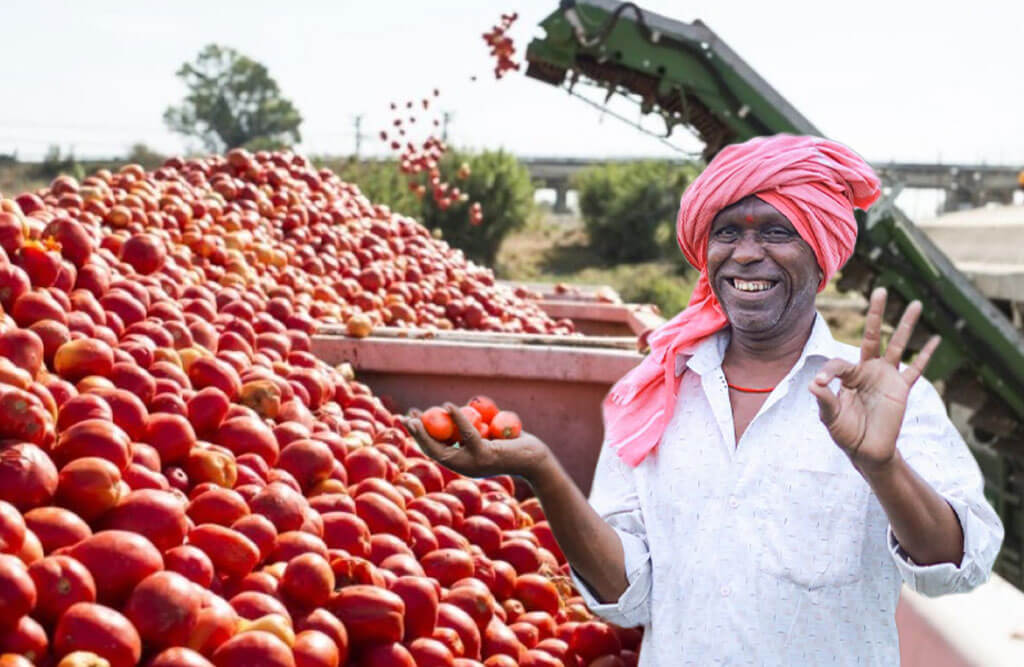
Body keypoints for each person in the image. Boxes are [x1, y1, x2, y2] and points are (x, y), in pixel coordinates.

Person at [400, 134, 1003, 665]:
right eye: (727, 232)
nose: (746, 253)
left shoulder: (881, 396)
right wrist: (540, 469)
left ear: (821, 254)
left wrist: (883, 467)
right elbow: (626, 594)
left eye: (776, 231)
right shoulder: (653, 394)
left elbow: (960, 564)